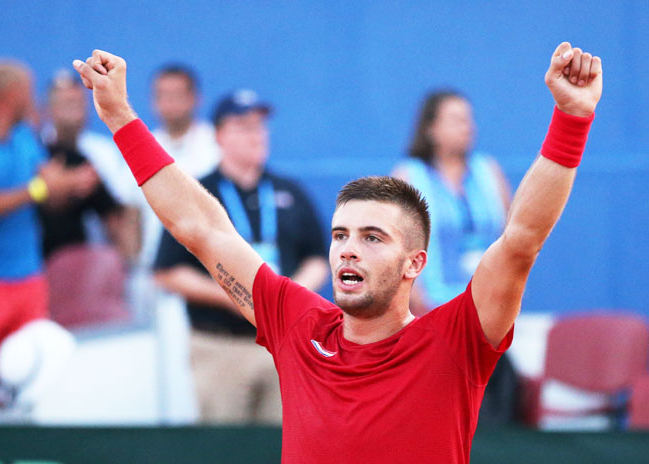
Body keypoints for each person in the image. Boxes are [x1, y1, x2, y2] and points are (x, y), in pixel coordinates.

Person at [73, 42, 602, 463]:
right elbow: (201, 227)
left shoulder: (456, 341)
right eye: (340, 235)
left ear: (414, 264)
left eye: (373, 238)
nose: (348, 250)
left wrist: (572, 120)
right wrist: (120, 116)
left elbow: (521, 240)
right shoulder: (298, 324)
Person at [154, 89, 329, 424]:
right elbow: (167, 271)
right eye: (244, 126)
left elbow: (318, 256)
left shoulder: (288, 191)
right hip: (222, 346)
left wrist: (289, 293)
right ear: (219, 135)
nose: (257, 135)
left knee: (284, 445)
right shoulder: (198, 194)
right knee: (225, 448)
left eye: (261, 126)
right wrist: (233, 296)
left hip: (281, 346)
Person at [0, 60, 79, 408]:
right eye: (28, 90)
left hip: (29, 279)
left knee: (31, 373)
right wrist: (38, 189)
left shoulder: (25, 136)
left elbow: (46, 187)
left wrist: (69, 185)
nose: (33, 98)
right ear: (10, 95)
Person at [393, 90, 511, 314]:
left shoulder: (490, 171)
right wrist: (418, 301)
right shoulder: (409, 176)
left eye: (469, 120)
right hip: (431, 309)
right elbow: (395, 248)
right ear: (431, 129)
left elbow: (513, 235)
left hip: (489, 308)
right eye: (457, 120)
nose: (468, 127)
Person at [39, 70, 140, 261]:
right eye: (66, 103)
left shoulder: (104, 151)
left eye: (78, 102)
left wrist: (128, 259)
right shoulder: (36, 149)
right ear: (48, 109)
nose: (73, 110)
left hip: (93, 259)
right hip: (42, 258)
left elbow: (120, 207)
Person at [141, 64, 220, 267]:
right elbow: (130, 211)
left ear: (195, 98)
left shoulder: (216, 145)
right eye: (163, 95)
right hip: (152, 266)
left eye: (177, 95)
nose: (170, 103)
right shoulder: (140, 147)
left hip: (206, 264)